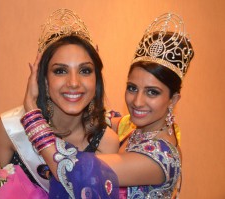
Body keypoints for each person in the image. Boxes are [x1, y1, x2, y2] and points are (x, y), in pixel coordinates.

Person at [20, 13, 194, 198]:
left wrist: (32, 114)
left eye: (152, 92)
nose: (137, 101)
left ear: (173, 100)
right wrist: (85, 84)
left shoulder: (160, 159)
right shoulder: (132, 128)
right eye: (132, 88)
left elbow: (71, 172)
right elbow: (105, 117)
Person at [0, 8, 119, 194]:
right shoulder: (10, 128)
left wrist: (31, 110)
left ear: (96, 80)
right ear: (43, 80)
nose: (74, 83)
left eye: (85, 71)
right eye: (60, 71)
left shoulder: (106, 143)